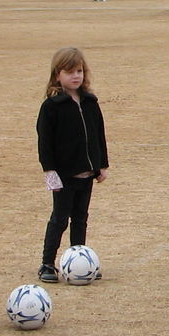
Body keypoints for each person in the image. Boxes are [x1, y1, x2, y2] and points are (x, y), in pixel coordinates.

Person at [36, 47, 109, 283]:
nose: (75, 76)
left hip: (87, 174)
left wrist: (101, 165)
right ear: (57, 75)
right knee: (60, 219)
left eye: (79, 71)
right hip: (64, 175)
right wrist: (49, 171)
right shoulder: (51, 107)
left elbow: (99, 134)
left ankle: (80, 261)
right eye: (69, 72)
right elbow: (45, 142)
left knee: (81, 218)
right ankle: (47, 263)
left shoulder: (90, 102)